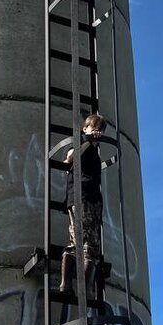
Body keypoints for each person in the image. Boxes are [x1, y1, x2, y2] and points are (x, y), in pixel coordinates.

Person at [59, 112, 106, 294]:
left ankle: (81, 286)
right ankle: (72, 285)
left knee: (87, 243)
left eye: (99, 129)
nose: (96, 131)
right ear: (84, 129)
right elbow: (70, 158)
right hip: (81, 197)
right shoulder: (80, 144)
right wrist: (89, 141)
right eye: (93, 127)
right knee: (82, 242)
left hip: (92, 199)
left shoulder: (93, 152)